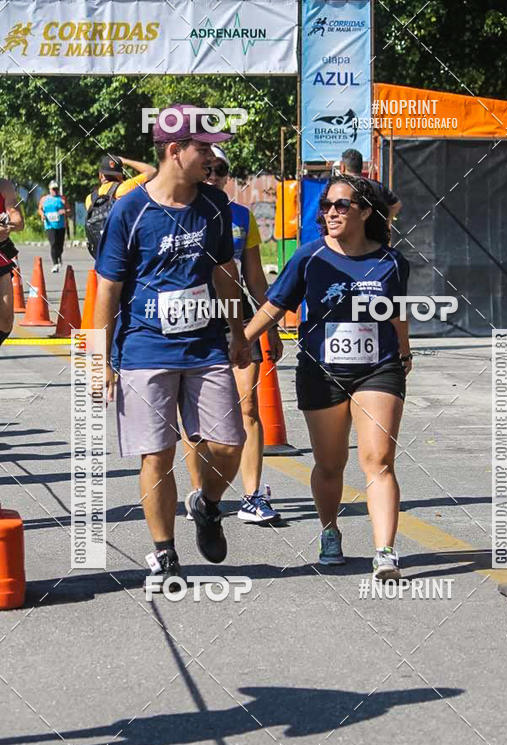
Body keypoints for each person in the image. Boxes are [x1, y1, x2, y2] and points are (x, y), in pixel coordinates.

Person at [94, 104, 250, 584]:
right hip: (144, 348)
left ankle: (207, 503)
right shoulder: (130, 209)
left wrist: (238, 332)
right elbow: (107, 289)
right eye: (202, 147)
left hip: (205, 346)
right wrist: (100, 360)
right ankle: (164, 552)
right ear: (175, 150)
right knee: (156, 453)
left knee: (229, 443)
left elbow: (226, 271)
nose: (211, 156)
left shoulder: (215, 206)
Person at [244, 175, 412, 580]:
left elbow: (398, 311)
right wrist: (242, 339)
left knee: (379, 460)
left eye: (341, 205)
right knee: (329, 463)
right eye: (327, 206)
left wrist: (404, 350)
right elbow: (275, 303)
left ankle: (384, 552)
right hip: (321, 371)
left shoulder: (391, 261)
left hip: (379, 367)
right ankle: (329, 530)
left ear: (365, 212)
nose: (331, 212)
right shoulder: (309, 256)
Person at [181, 146, 284, 523]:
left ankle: (253, 495)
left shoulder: (241, 216)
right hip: (191, 320)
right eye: (206, 168)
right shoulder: (178, 213)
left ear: (227, 175)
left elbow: (254, 276)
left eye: (220, 169)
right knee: (195, 417)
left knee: (247, 408)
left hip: (234, 319)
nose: (212, 175)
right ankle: (201, 495)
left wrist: (267, 325)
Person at [85, 154, 157, 259]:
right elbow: (152, 171)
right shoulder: (125, 188)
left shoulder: (90, 199)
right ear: (120, 175)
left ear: (100, 175)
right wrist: (125, 160)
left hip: (102, 253)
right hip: (126, 250)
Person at [339, 149, 402, 223]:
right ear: (361, 166)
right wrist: (384, 221)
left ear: (342, 167)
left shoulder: (338, 189)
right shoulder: (377, 186)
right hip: (375, 232)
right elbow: (396, 205)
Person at [0, 178, 24, 347]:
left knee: (6, 320)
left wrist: (9, 226)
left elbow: (18, 220)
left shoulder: (4, 186)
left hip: (1, 256)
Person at [38, 180, 70, 272]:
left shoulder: (62, 199)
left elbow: (68, 210)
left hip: (60, 225)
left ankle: (58, 255)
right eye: (53, 189)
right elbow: (40, 209)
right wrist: (42, 215)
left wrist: (65, 212)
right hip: (49, 225)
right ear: (49, 189)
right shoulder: (44, 199)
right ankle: (55, 263)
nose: (55, 191)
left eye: (56, 189)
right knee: (53, 243)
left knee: (60, 245)